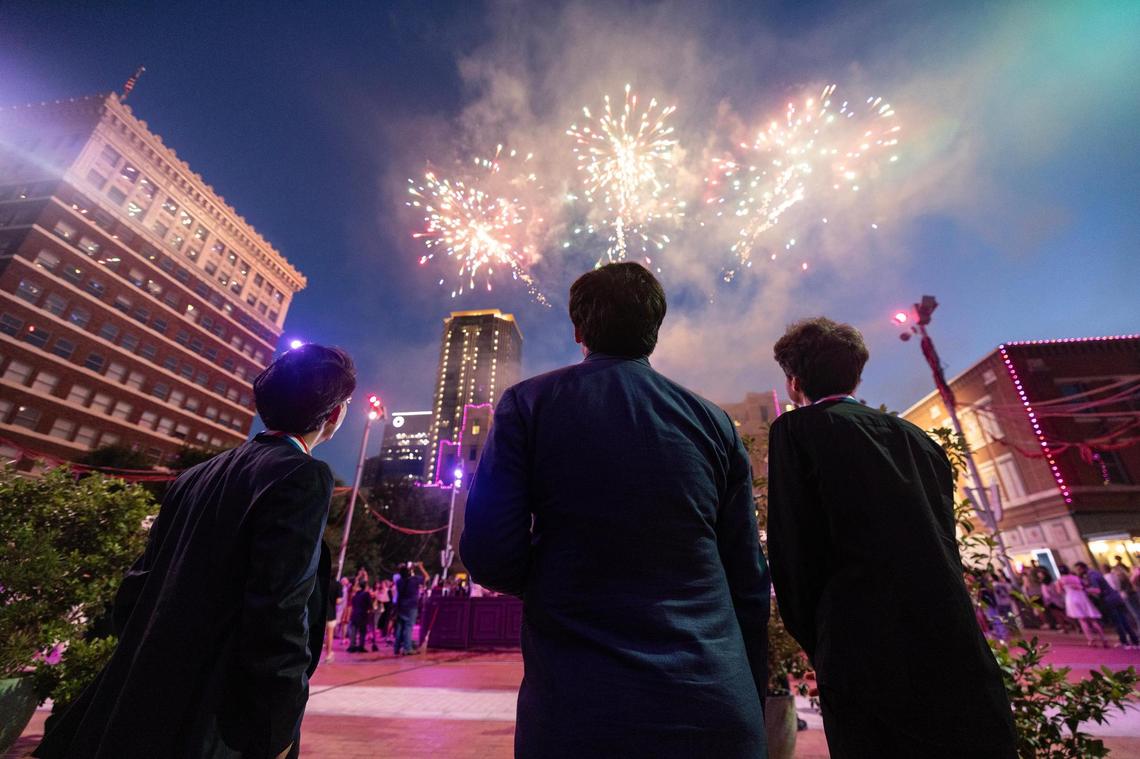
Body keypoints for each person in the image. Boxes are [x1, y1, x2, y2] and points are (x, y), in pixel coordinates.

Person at [461, 263, 770, 759]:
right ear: (655, 331)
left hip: (578, 713)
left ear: (578, 330)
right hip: (714, 707)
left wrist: (558, 580)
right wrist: (750, 700)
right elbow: (748, 582)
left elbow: (490, 554)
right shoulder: (714, 423)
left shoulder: (528, 404)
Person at [35, 344, 355, 759]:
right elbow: (279, 608)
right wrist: (276, 724)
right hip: (215, 716)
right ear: (333, 415)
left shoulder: (194, 476)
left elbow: (135, 590)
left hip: (142, 697)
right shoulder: (302, 475)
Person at [766, 317, 1016, 759]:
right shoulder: (919, 439)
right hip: (952, 636)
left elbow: (794, 559)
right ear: (857, 374)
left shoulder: (798, 430)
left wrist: (823, 638)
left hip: (862, 644)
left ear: (793, 382)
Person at [1078, 562, 1138, 648]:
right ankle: (1134, 641)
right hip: (1116, 597)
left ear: (1082, 568)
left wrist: (1085, 589)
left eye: (1078, 569)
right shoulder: (1097, 574)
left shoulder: (1092, 576)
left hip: (1108, 599)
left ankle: (1124, 642)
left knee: (1118, 622)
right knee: (1123, 620)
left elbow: (1097, 590)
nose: (1078, 572)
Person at [1057, 564, 1108, 647]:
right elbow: (1085, 585)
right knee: (1093, 619)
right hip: (1082, 597)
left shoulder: (1060, 580)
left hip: (1071, 598)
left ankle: (1091, 639)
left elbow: (1059, 591)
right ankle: (1103, 638)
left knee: (1082, 620)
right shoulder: (1076, 577)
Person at [393, 561, 428, 655]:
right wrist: (420, 567)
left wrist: (409, 569)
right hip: (411, 606)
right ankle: (407, 648)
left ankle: (396, 648)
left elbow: (405, 574)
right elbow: (427, 577)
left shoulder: (399, 581)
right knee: (408, 627)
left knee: (400, 627)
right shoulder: (414, 580)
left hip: (401, 605)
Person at [347, 579, 372, 653]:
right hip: (362, 615)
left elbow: (353, 603)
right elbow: (369, 605)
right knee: (362, 631)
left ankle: (352, 646)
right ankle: (361, 646)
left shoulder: (356, 595)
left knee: (354, 631)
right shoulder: (366, 594)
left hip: (355, 614)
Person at [323, 576, 341, 664]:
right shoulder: (337, 584)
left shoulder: (321, 581)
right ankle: (328, 654)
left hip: (320, 612)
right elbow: (338, 601)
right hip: (330, 613)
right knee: (329, 634)